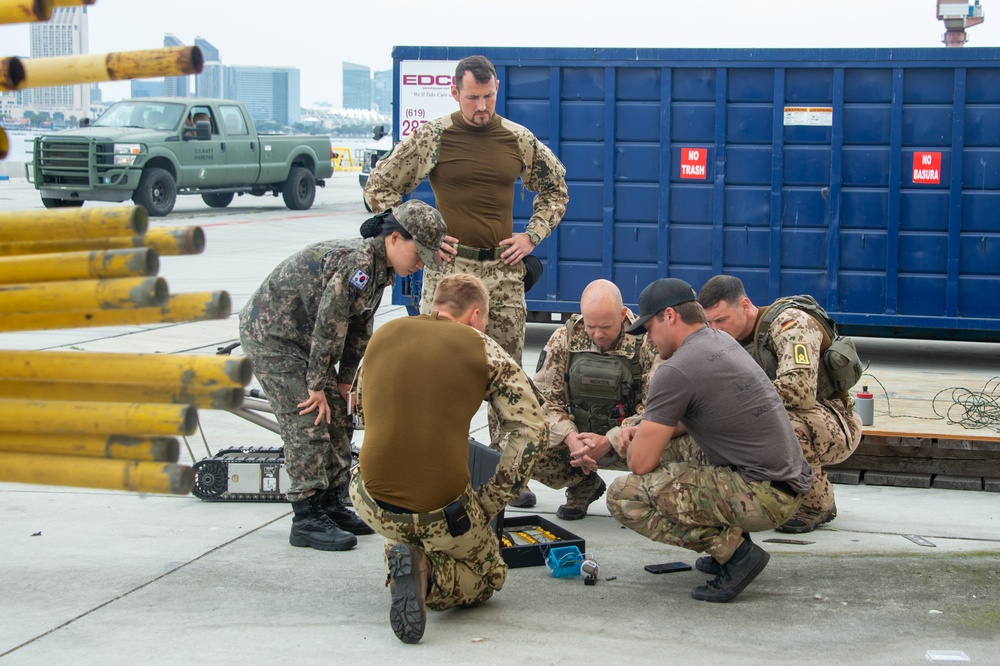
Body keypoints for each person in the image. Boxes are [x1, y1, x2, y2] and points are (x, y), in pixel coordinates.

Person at [364, 55, 568, 501]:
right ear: (455, 93)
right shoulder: (434, 136)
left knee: (508, 378)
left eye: (489, 96)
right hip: (446, 276)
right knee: (435, 373)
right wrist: (422, 237)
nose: (482, 106)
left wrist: (531, 236)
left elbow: (556, 189)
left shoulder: (517, 140)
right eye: (473, 97)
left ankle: (504, 478)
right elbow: (379, 187)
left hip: (503, 274)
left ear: (498, 90)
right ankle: (440, 471)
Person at [238, 200, 447, 552]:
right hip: (272, 335)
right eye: (419, 253)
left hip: (303, 340)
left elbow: (358, 329)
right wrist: (316, 384)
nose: (421, 264)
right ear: (395, 239)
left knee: (337, 413)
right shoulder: (358, 262)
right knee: (308, 416)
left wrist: (345, 381)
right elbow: (329, 324)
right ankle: (306, 516)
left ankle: (331, 503)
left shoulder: (381, 271)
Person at [349, 273, 546, 644]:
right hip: (442, 510)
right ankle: (428, 577)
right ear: (474, 316)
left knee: (403, 513)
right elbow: (533, 430)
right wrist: (490, 500)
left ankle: (403, 546)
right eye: (484, 321)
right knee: (491, 577)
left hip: (368, 499)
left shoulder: (384, 333)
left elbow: (359, 410)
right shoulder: (481, 346)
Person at [605, 278, 813, 603]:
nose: (648, 340)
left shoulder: (676, 369)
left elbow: (640, 462)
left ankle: (735, 554)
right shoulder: (718, 340)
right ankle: (730, 538)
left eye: (649, 328)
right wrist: (647, 428)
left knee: (624, 495)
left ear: (669, 316)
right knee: (673, 450)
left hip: (765, 496)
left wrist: (622, 437)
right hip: (787, 481)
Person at [698, 275, 864, 533]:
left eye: (721, 320)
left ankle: (817, 504)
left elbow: (799, 391)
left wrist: (730, 406)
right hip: (773, 414)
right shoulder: (721, 340)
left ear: (744, 305)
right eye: (709, 323)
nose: (715, 329)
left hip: (832, 421)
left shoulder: (790, 324)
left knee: (781, 421)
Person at [529, 279, 659, 520]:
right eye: (591, 326)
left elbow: (657, 409)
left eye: (606, 326)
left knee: (678, 447)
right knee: (520, 447)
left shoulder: (647, 342)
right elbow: (545, 401)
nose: (598, 335)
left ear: (622, 315)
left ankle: (651, 493)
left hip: (628, 443)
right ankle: (583, 484)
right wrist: (570, 438)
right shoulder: (564, 338)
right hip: (578, 444)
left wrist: (610, 438)